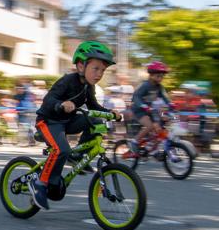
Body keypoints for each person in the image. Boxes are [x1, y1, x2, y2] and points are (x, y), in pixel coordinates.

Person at [29, 41, 122, 210]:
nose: (99, 74)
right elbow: (48, 100)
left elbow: (94, 107)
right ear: (81, 66)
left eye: (103, 70)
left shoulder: (89, 87)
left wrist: (110, 112)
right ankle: (40, 184)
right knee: (61, 150)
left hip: (67, 122)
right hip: (48, 121)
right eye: (96, 68)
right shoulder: (67, 81)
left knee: (95, 120)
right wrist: (61, 104)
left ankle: (78, 156)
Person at [128, 61, 171, 154]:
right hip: (139, 110)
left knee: (159, 129)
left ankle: (151, 148)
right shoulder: (145, 85)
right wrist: (142, 105)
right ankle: (134, 141)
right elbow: (136, 96)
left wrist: (171, 104)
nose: (161, 78)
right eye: (158, 76)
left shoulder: (159, 87)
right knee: (149, 126)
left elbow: (165, 97)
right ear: (151, 75)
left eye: (162, 76)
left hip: (149, 110)